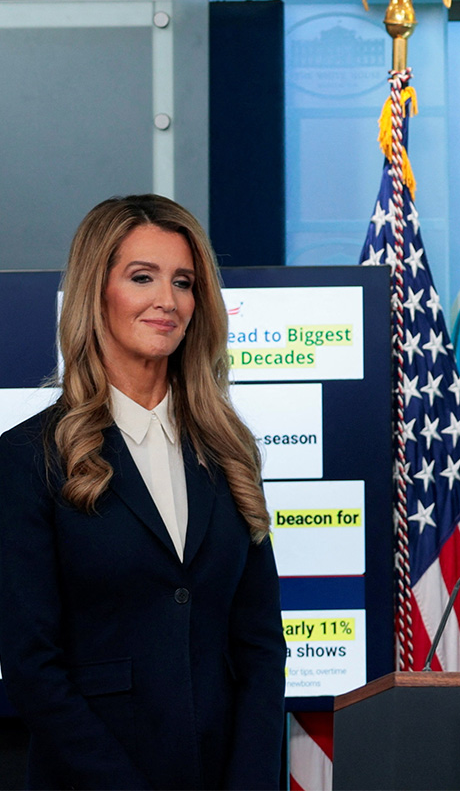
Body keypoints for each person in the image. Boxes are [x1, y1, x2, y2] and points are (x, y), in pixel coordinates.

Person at [0, 195, 286, 789]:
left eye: (183, 282)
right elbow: (33, 668)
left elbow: (260, 647)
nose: (167, 301)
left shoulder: (230, 450)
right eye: (141, 277)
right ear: (94, 292)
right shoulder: (27, 457)